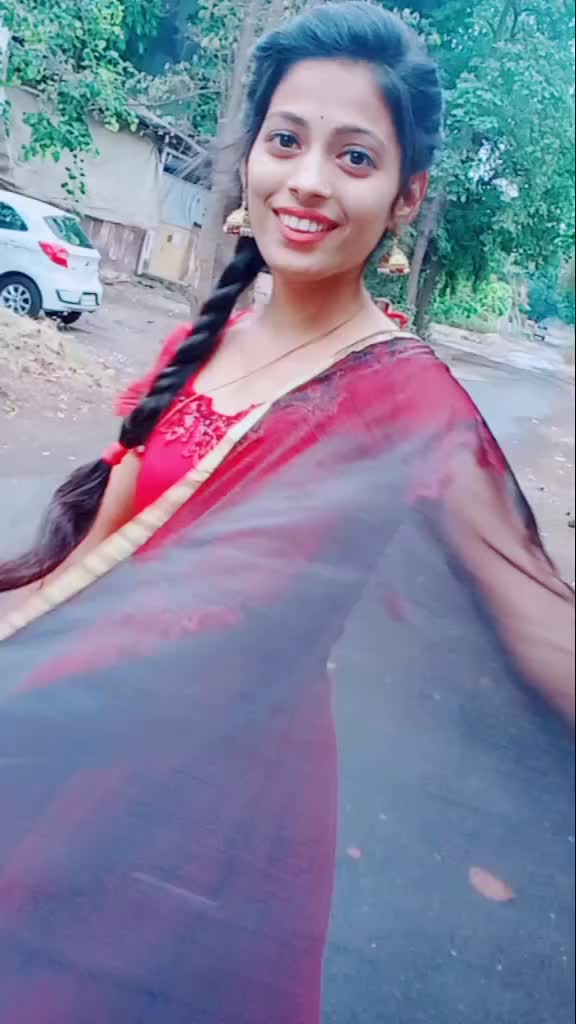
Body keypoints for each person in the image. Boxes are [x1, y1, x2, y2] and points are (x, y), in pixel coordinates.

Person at [0, 5, 574, 1022]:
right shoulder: (205, 344)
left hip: (224, 818)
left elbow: (540, 630)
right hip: (93, 746)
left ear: (405, 197)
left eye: (354, 157)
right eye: (286, 140)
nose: (308, 180)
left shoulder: (404, 394)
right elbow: (96, 564)